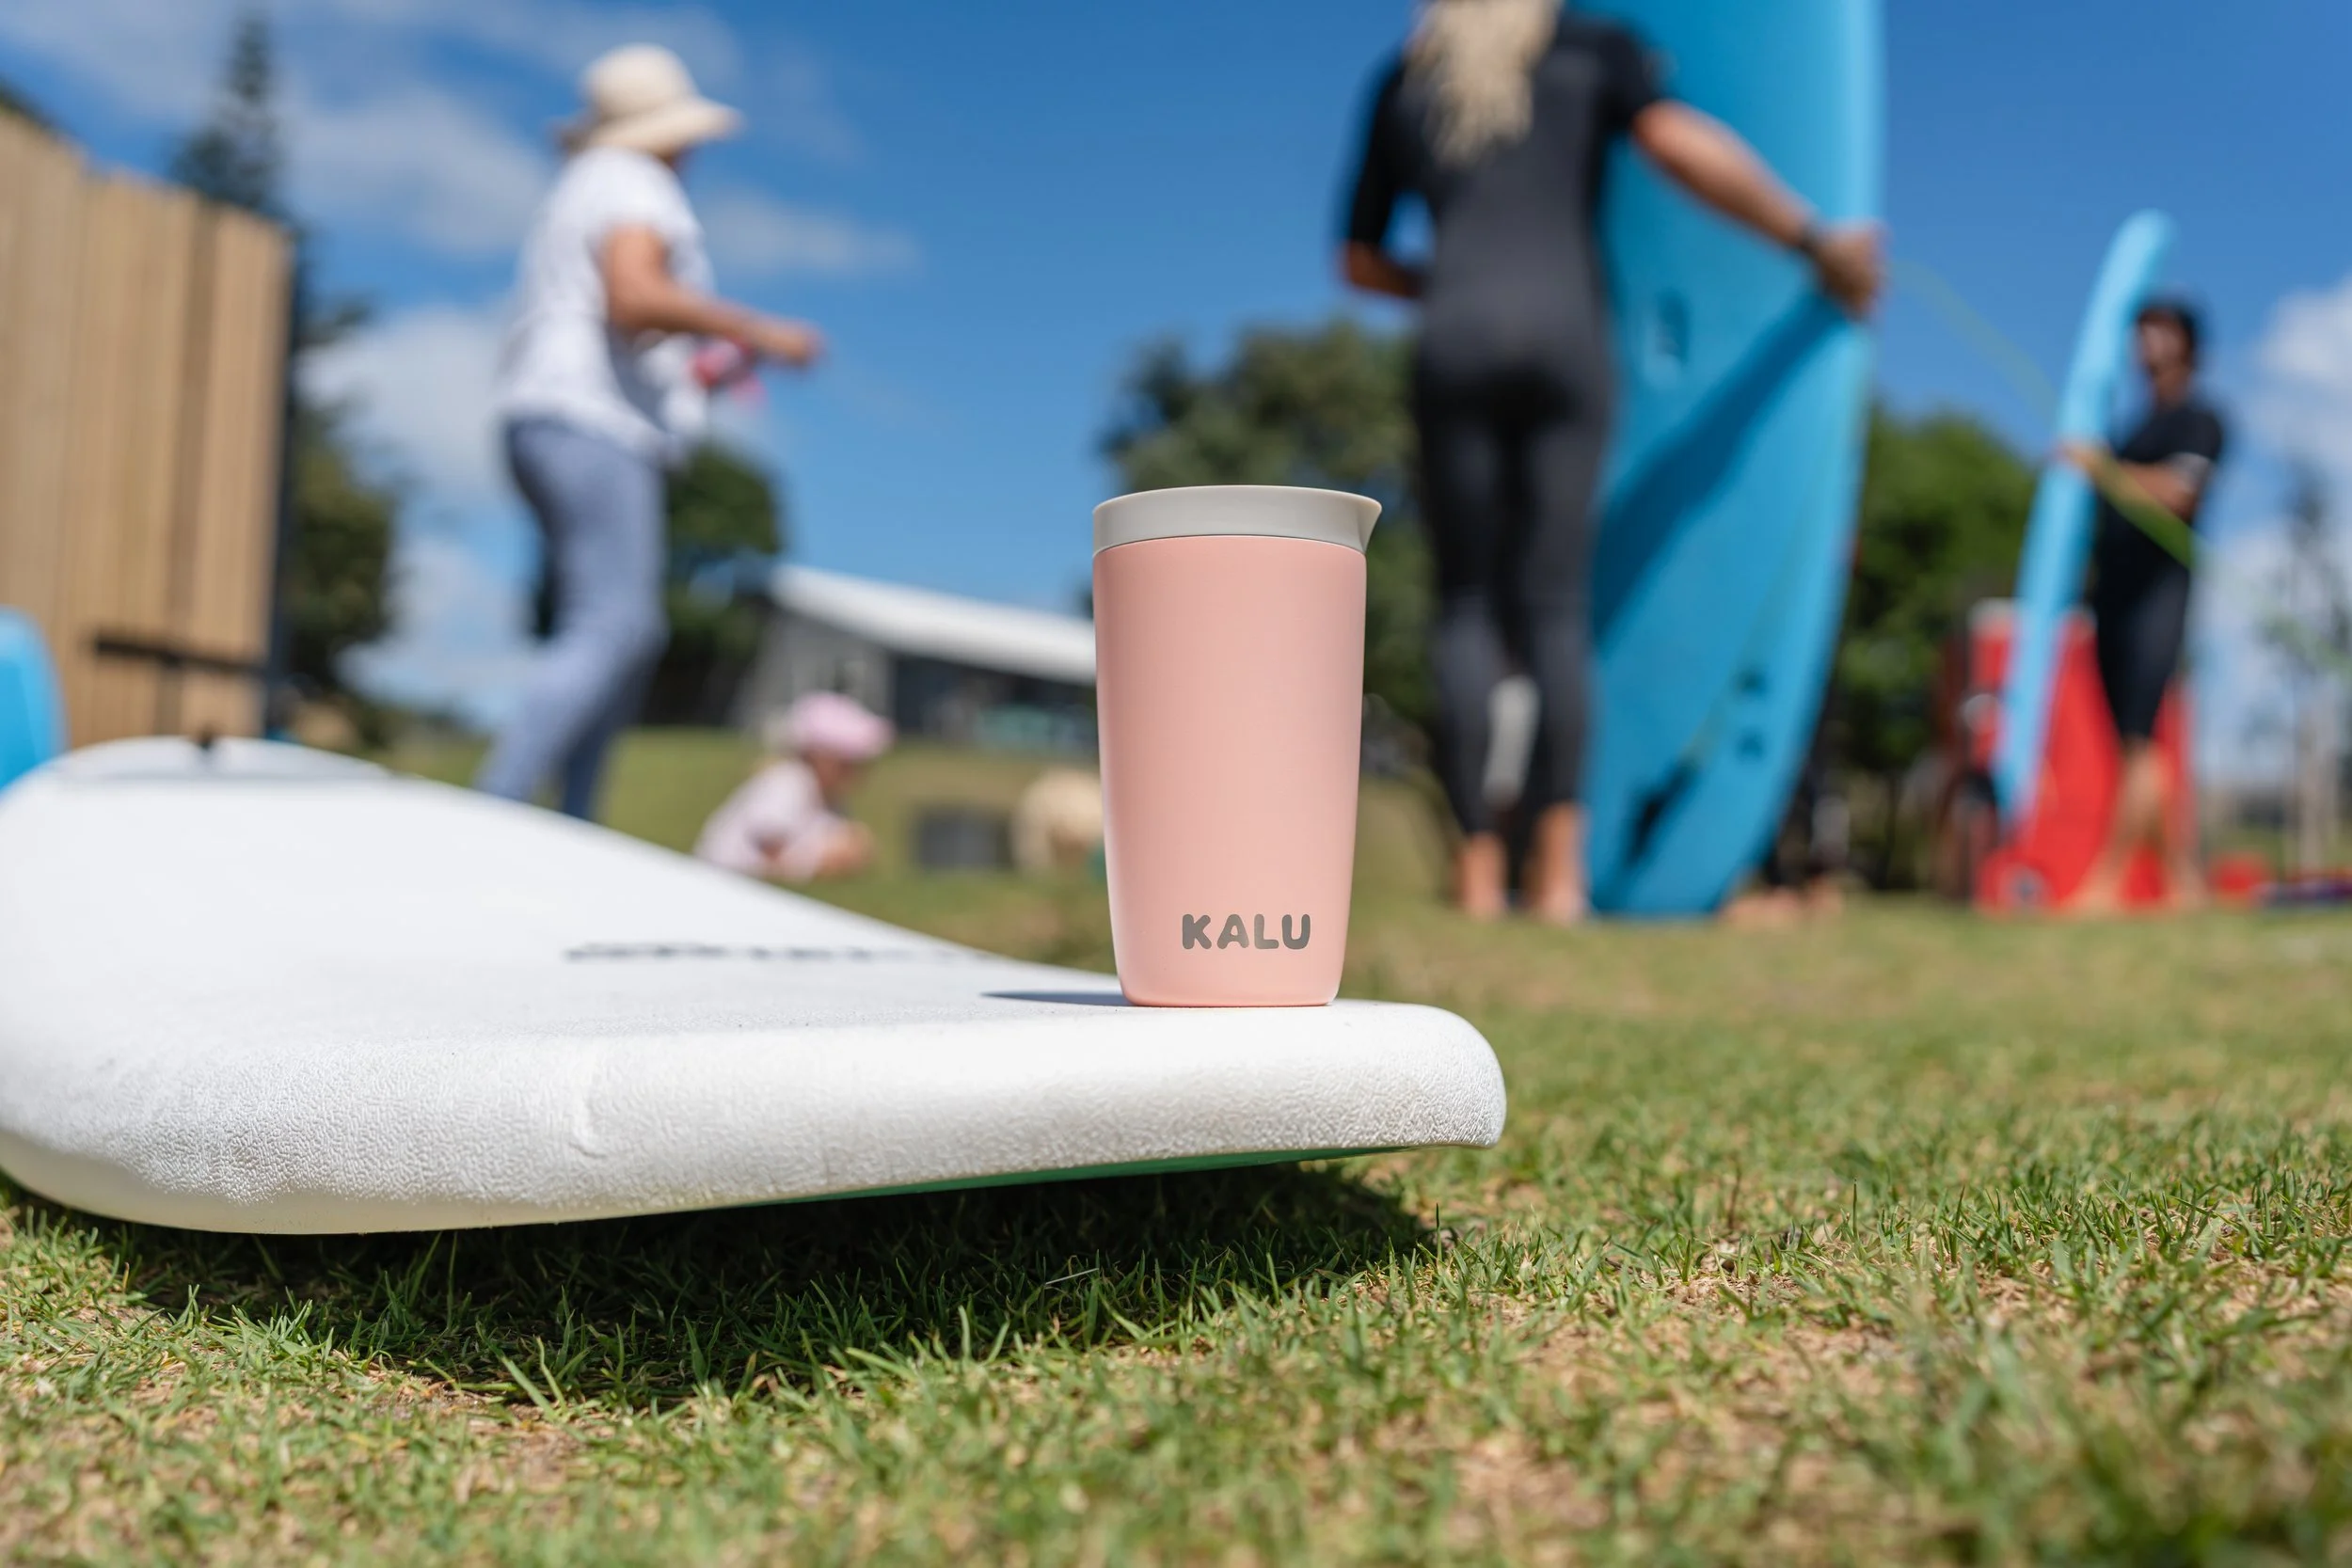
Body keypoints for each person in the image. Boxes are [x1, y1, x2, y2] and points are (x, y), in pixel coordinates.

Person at [1340, 0, 1883, 923]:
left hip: (1455, 339)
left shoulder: (1404, 78)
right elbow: (1679, 150)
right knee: (1555, 602)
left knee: (1469, 606)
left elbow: (1357, 259)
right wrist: (1810, 240)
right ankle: (1558, 876)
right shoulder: (1585, 46)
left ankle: (1477, 877)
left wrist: (1454, 289)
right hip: (1564, 334)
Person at [480, 44, 823, 820]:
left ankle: (570, 816)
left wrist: (700, 374)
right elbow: (634, 298)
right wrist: (758, 331)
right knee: (619, 621)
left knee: (614, 630)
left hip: (546, 418)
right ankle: (503, 804)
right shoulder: (636, 182)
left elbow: (626, 328)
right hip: (590, 425)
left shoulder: (582, 184)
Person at [2058, 298, 2225, 913]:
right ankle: (2184, 884)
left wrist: (2101, 468)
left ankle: (2106, 881)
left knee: (2139, 736)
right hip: (2112, 594)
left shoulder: (2199, 419)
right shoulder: (2130, 429)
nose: (2147, 340)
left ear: (2187, 343)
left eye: (2161, 328)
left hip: (2161, 592)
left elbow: (2180, 495)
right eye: (2141, 329)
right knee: (2134, 740)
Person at [695, 692, 892, 881]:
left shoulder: (829, 800)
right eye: (847, 763)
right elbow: (771, 858)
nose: (856, 772)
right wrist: (822, 865)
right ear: (817, 756)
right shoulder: (787, 783)